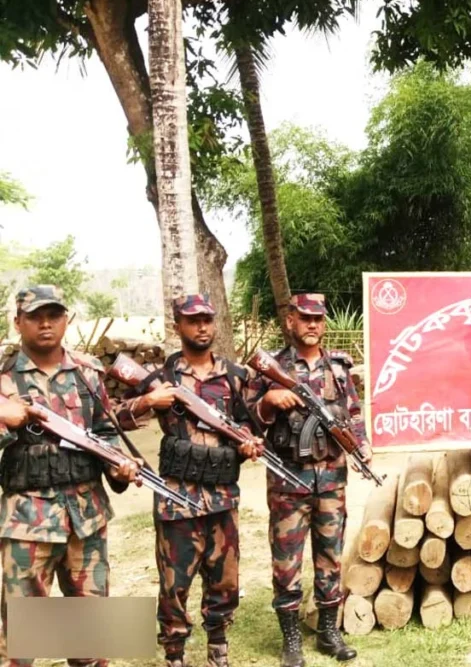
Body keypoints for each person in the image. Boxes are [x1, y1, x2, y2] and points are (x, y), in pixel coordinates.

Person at [115, 294, 261, 667]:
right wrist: (149, 402)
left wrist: (248, 442)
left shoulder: (235, 376)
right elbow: (112, 418)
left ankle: (218, 646)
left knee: (225, 579)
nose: (202, 327)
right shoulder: (161, 378)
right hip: (176, 498)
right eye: (193, 320)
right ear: (177, 325)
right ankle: (174, 654)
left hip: (222, 495)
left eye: (207, 320)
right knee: (174, 582)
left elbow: (250, 422)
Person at [0, 285, 141, 667]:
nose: (45, 323)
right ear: (18, 322)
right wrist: (8, 422)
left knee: (91, 639)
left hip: (87, 520)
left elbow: (106, 431)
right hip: (28, 522)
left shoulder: (88, 372)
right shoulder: (4, 379)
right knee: (20, 645)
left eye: (54, 314)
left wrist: (119, 466)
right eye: (34, 316)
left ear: (67, 320)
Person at [246, 294, 371, 666]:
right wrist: (270, 401)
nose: (313, 324)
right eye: (305, 318)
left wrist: (361, 446)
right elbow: (249, 421)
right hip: (288, 482)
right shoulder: (272, 367)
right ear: (290, 321)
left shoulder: (338, 367)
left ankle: (329, 632)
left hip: (332, 480)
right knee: (286, 560)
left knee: (330, 556)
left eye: (318, 318)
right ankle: (291, 640)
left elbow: (352, 411)